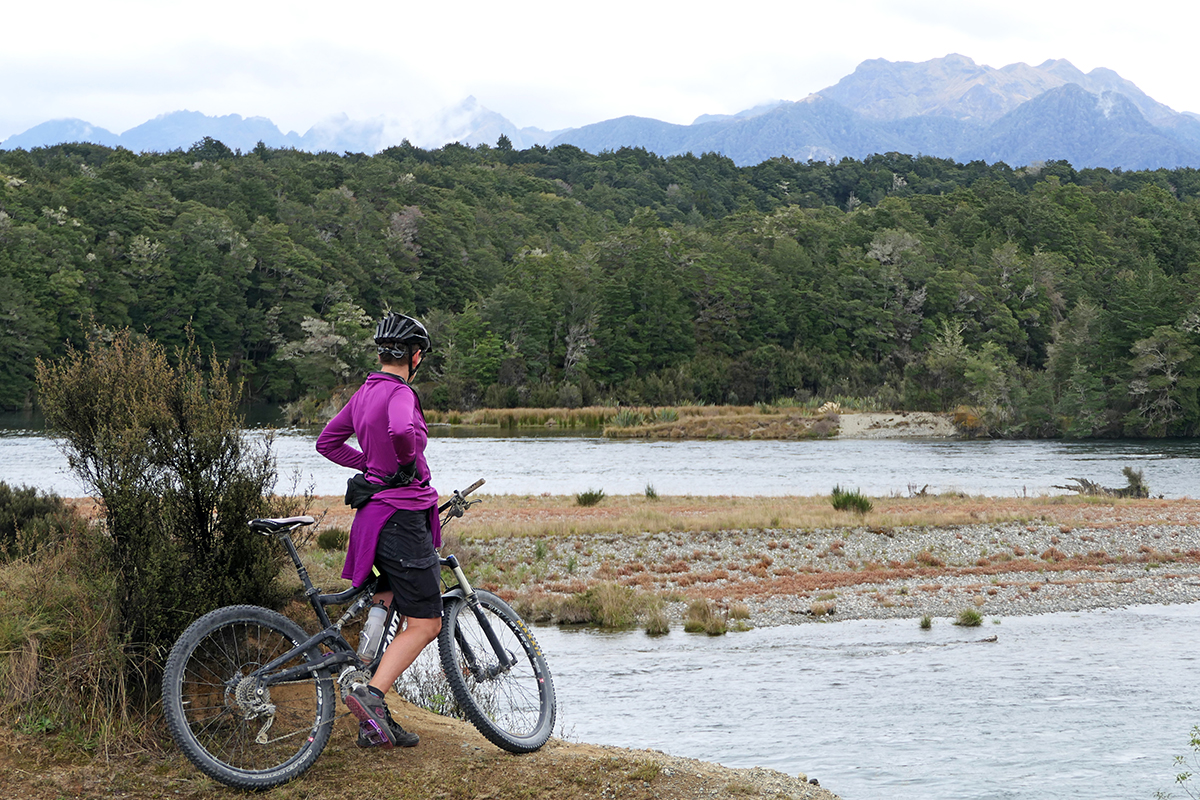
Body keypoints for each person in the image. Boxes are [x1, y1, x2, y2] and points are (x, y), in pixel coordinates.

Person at [315, 311, 442, 750]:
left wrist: (370, 467)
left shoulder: (364, 393)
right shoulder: (400, 392)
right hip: (401, 520)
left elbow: (327, 443)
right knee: (426, 623)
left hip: (373, 521)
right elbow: (402, 429)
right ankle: (371, 695)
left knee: (385, 598)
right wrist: (403, 464)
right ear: (416, 356)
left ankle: (372, 723)